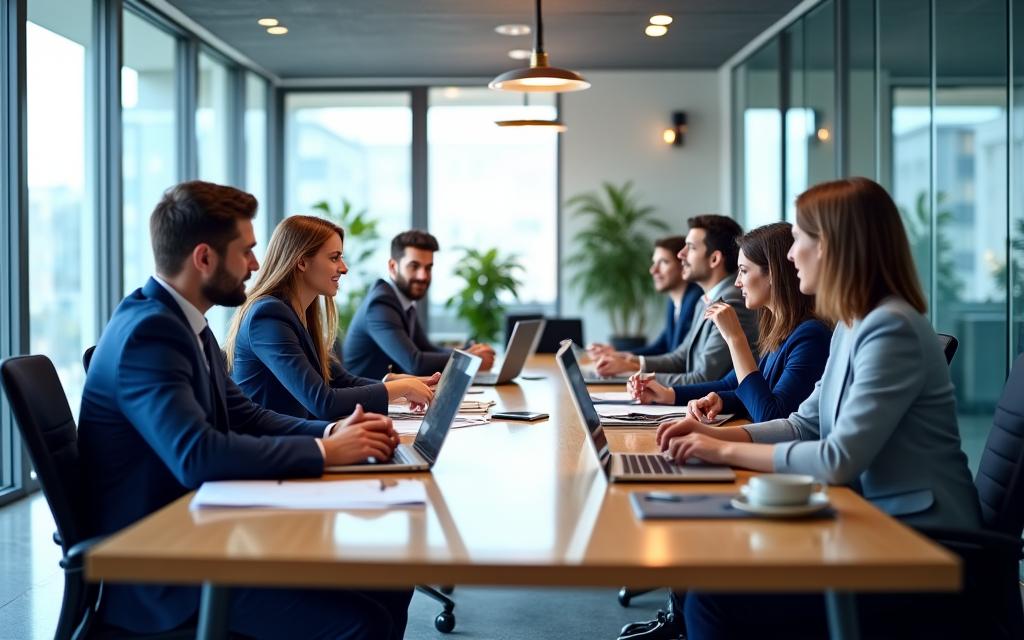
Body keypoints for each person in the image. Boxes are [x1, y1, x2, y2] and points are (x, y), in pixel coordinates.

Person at [645, 178, 982, 640]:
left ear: (833, 247)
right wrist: (712, 437)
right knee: (715, 565)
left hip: (917, 545)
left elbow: (837, 459)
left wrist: (721, 452)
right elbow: (805, 424)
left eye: (799, 239)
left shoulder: (891, 328)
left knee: (715, 597)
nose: (788, 254)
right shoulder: (850, 325)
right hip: (868, 525)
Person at [78, 181, 411, 639]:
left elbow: (246, 414)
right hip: (163, 567)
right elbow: (197, 456)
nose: (256, 265)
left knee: (390, 583)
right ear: (204, 258)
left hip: (204, 529)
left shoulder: (187, 324)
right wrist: (323, 453)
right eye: (247, 251)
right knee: (363, 621)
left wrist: (331, 433)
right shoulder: (148, 334)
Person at [225, 215, 437, 420]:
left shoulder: (299, 313)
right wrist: (400, 388)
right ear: (302, 262)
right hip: (274, 448)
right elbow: (323, 402)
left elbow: (340, 380)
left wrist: (401, 384)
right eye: (334, 257)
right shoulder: (269, 316)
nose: (344, 268)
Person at [628, 222, 830, 424]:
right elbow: (736, 384)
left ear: (772, 274)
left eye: (743, 270)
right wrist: (675, 395)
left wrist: (735, 338)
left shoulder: (810, 336)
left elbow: (771, 415)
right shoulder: (777, 328)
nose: (737, 282)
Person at [595, 215, 758, 385]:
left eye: (691, 248)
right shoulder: (706, 299)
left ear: (714, 259)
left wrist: (636, 375)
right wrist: (631, 362)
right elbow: (681, 357)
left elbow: (703, 378)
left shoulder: (731, 302)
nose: (681, 254)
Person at [343, 230, 496, 378]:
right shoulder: (380, 305)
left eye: (428, 268)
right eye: (414, 266)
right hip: (366, 402)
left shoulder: (404, 303)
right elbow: (415, 363)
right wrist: (470, 359)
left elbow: (426, 349)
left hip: (394, 399)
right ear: (393, 267)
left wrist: (468, 351)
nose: (423, 276)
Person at [588, 235, 703, 359]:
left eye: (664, 262)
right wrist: (616, 355)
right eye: (654, 262)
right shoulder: (674, 301)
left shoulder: (696, 300)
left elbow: (679, 359)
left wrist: (623, 359)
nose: (653, 270)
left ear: (684, 264)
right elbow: (660, 347)